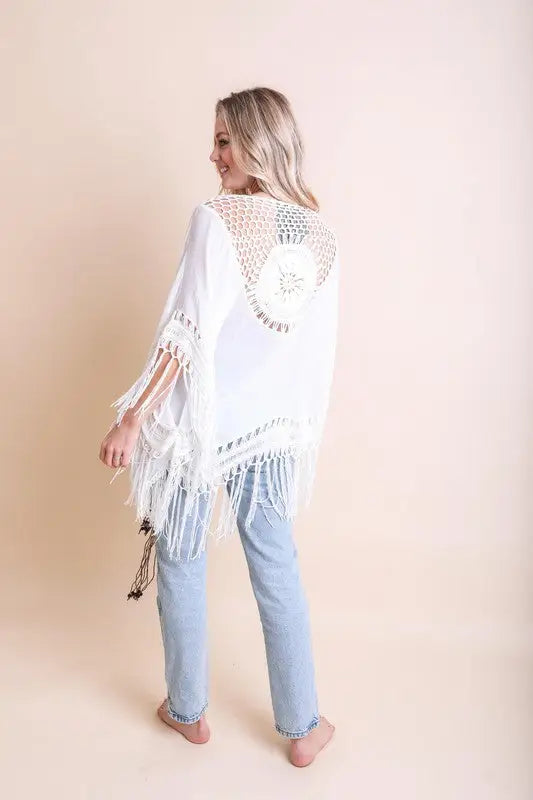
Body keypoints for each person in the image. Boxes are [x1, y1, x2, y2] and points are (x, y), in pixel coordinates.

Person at [99, 87, 339, 767]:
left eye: (225, 140)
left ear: (260, 142)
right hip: (268, 433)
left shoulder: (218, 219)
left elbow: (187, 331)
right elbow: (312, 352)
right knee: (276, 566)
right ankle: (302, 726)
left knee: (180, 562)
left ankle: (187, 711)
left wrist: (133, 416)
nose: (214, 155)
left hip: (198, 433)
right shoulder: (320, 235)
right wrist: (295, 427)